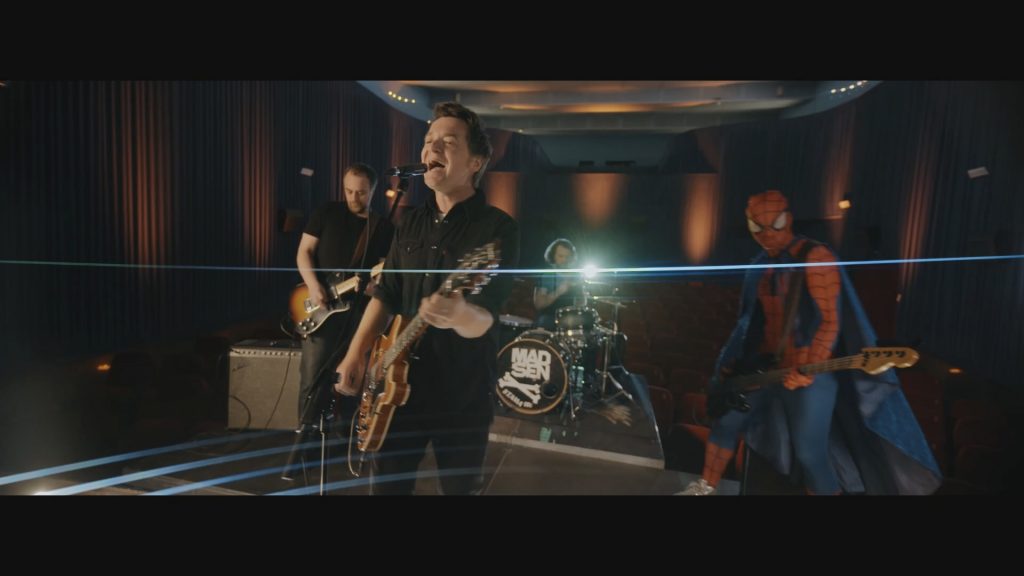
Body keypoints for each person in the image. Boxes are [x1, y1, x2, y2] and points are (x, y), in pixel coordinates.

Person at [681, 189, 942, 495]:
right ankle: (705, 488)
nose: (767, 235)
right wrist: (731, 362)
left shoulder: (816, 258)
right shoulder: (760, 266)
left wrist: (810, 366)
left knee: (810, 454)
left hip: (807, 374)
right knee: (725, 424)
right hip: (762, 371)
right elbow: (748, 323)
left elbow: (831, 320)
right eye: (757, 227)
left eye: (775, 224)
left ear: (788, 219)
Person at [334, 102, 519, 495]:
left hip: (463, 393)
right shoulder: (410, 221)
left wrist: (460, 313)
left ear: (475, 162)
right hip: (396, 390)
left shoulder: (498, 229)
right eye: (428, 140)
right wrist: (357, 353)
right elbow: (387, 293)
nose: (432, 148)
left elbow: (488, 318)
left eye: (448, 142)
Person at [295, 163, 394, 433]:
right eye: (348, 191)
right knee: (312, 378)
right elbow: (304, 252)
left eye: (360, 192)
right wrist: (314, 286)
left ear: (372, 191)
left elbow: (383, 274)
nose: (353, 197)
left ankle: (345, 438)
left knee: (352, 380)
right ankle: (305, 438)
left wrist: (373, 288)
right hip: (322, 309)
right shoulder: (326, 212)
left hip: (358, 313)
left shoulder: (383, 227)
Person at [533, 238, 580, 331]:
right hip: (550, 318)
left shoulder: (576, 276)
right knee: (544, 321)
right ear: (553, 256)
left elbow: (581, 304)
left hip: (572, 320)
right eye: (560, 256)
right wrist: (559, 291)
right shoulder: (548, 275)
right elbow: (539, 304)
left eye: (567, 257)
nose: (564, 260)